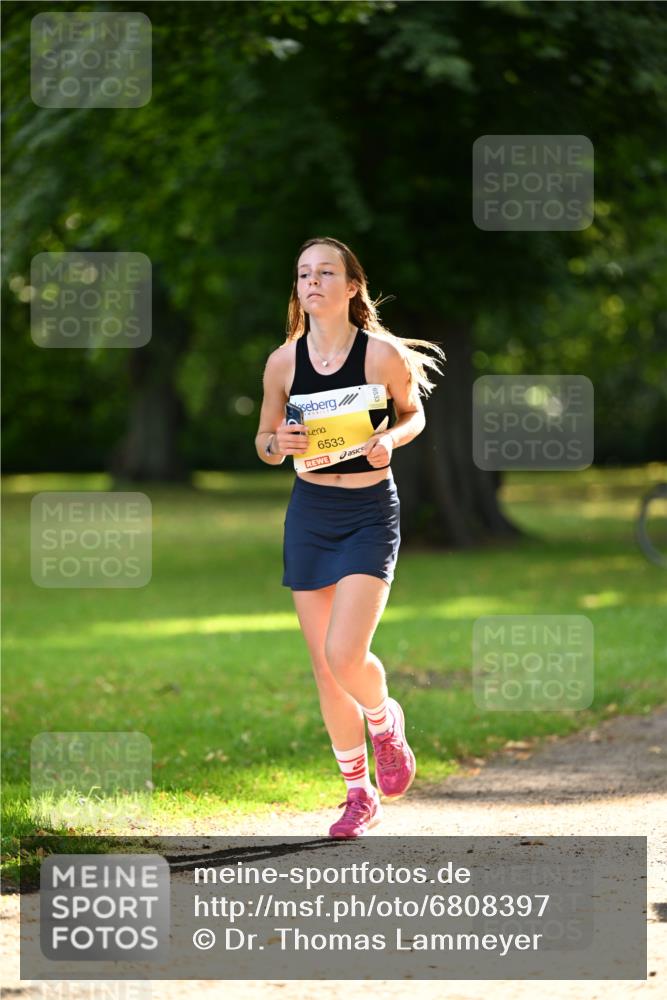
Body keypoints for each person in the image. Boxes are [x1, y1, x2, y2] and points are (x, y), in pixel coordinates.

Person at [255, 236, 445, 838]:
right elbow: (263, 441)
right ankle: (357, 794)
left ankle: (385, 719)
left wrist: (392, 438)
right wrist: (275, 445)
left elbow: (412, 412)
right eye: (303, 274)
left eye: (326, 272)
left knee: (346, 654)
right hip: (310, 514)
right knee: (323, 666)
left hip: (369, 512)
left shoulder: (381, 355)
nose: (312, 282)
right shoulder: (283, 363)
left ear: (352, 286)